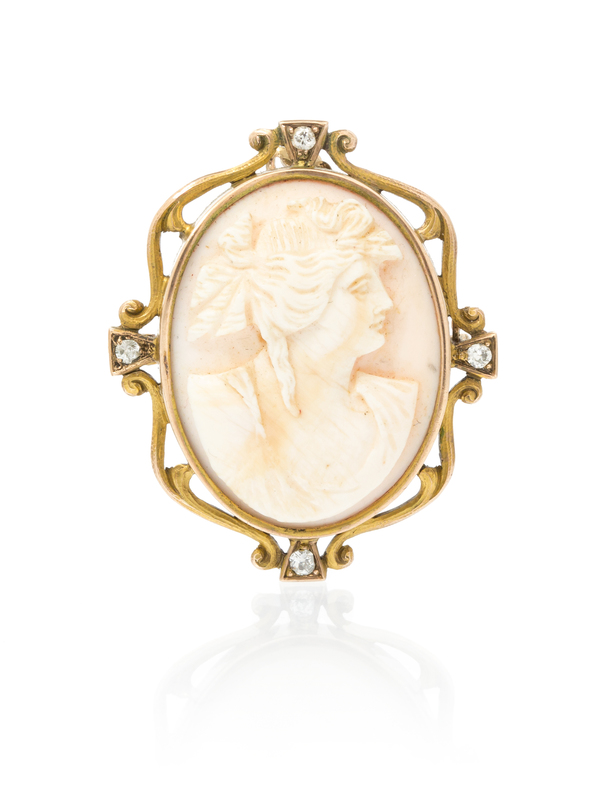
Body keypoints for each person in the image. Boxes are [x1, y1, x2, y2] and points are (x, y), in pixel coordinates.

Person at [187, 196, 418, 522]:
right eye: (360, 286)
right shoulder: (217, 403)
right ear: (296, 303)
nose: (386, 302)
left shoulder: (396, 406)